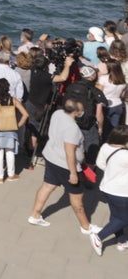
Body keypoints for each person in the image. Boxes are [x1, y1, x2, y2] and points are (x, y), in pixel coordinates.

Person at [28, 98, 99, 233]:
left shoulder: (57, 113)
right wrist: (73, 173)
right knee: (77, 197)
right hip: (66, 166)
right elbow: (69, 151)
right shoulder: (72, 129)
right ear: (76, 113)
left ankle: (35, 215)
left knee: (47, 186)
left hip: (51, 156)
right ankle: (86, 226)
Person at [0, 79, 29, 183]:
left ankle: (0, 176)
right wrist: (18, 125)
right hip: (10, 127)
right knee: (10, 152)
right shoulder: (13, 100)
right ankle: (11, 174)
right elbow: (26, 114)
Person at [93, 125, 128, 255]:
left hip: (106, 187)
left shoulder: (105, 147)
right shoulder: (125, 155)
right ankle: (99, 237)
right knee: (124, 219)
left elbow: (100, 164)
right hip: (122, 192)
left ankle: (121, 241)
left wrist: (113, 170)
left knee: (115, 216)